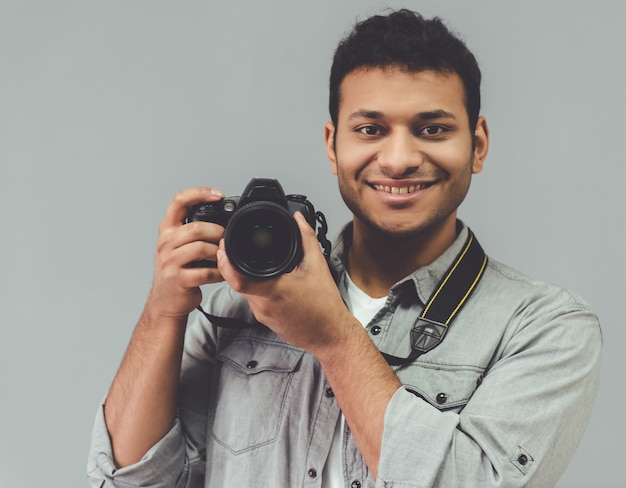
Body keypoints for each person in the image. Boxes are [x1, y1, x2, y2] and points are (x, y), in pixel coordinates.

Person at [87, 9, 601, 488]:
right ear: (333, 146)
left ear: (478, 143)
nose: (398, 159)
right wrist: (163, 312)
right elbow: (130, 481)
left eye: (432, 129)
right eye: (370, 129)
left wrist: (331, 336)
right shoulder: (235, 304)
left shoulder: (546, 328)